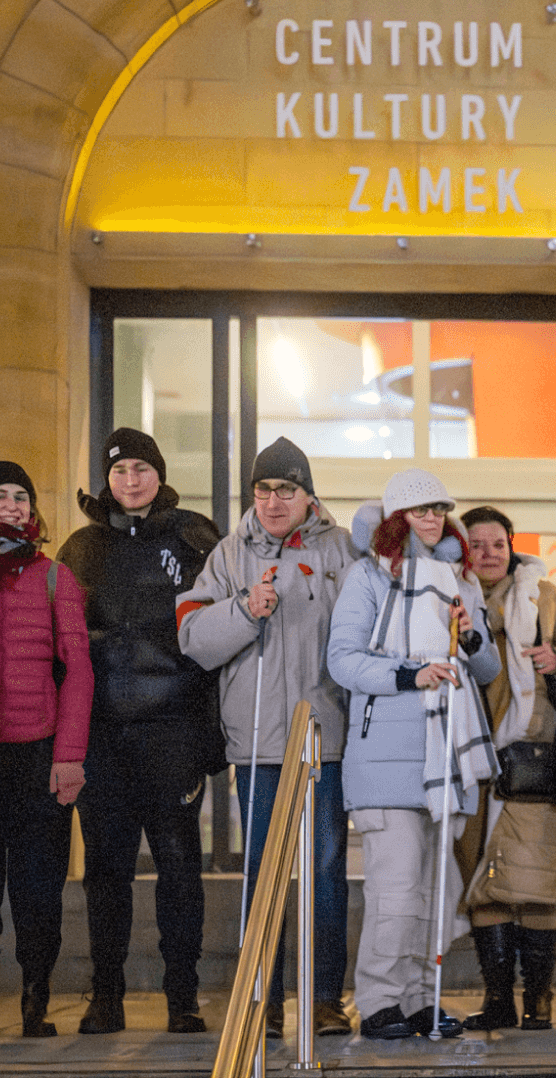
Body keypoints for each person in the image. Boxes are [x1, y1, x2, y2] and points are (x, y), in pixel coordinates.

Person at [176, 437, 362, 1039]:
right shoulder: (229, 555)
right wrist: (242, 608)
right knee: (263, 871)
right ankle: (265, 996)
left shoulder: (343, 552)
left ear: (308, 495)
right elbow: (194, 639)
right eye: (264, 490)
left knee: (325, 872)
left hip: (324, 739)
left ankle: (325, 999)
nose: (274, 501)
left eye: (287, 489)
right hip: (256, 742)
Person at [57, 429, 226, 1035]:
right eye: (120, 469)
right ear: (108, 479)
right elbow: (61, 649)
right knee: (106, 868)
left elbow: (219, 639)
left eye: (141, 468)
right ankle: (107, 996)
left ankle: (183, 996)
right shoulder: (80, 549)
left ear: (159, 473)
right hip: (104, 737)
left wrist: (212, 735)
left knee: (180, 865)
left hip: (173, 731)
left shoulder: (195, 537)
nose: (131, 479)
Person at [327, 469, 500, 1041]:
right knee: (396, 891)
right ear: (397, 518)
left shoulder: (460, 580)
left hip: (445, 756)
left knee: (436, 892)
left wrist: (468, 635)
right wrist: (410, 673)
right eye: (419, 510)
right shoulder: (368, 577)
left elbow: (488, 669)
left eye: (439, 510)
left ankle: (423, 999)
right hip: (387, 757)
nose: (431, 519)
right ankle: (379, 1001)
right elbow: (343, 661)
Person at [0, 462, 93, 1039]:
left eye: (20, 496)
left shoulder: (56, 579)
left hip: (37, 752)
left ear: (32, 509)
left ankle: (35, 998)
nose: (11, 505)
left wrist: (70, 755)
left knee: (38, 885)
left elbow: (78, 674)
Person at [454, 505, 556, 1032]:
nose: (488, 554)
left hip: (533, 758)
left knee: (535, 882)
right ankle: (499, 998)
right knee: (484, 880)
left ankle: (540, 1000)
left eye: (497, 544)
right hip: (470, 760)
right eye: (476, 544)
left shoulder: (545, 598)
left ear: (512, 546)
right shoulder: (447, 600)